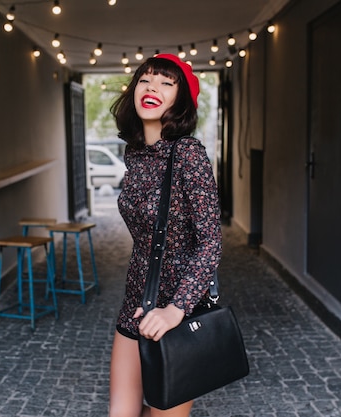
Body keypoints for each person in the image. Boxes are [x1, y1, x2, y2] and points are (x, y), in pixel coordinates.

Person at [108, 54, 222, 417]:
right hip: (135, 304)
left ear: (181, 99)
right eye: (145, 79)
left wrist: (176, 309)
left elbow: (210, 242)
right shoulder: (135, 155)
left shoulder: (189, 155)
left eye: (166, 82)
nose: (152, 87)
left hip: (177, 314)